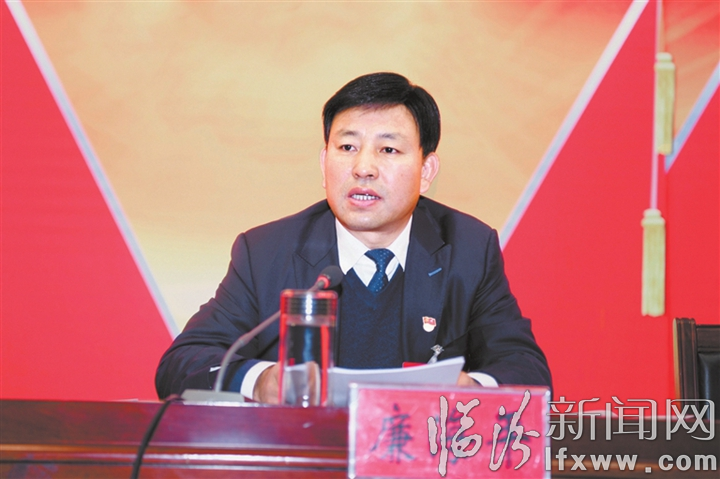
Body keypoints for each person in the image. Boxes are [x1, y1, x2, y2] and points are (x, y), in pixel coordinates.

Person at [155, 72, 551, 403]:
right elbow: (182, 363)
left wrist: (470, 391)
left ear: (426, 171)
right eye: (347, 146)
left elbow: (527, 370)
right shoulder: (266, 252)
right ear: (324, 161)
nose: (364, 168)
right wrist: (261, 382)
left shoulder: (468, 249)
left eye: (388, 149)